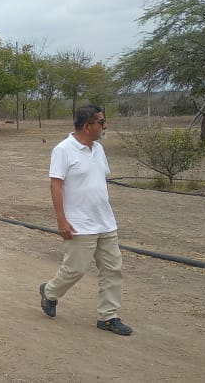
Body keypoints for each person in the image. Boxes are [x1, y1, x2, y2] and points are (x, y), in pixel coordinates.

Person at [39, 104, 132, 336]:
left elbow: (97, 181)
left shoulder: (98, 149)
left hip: (105, 222)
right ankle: (50, 292)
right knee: (75, 269)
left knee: (112, 269)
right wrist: (61, 220)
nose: (105, 126)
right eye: (101, 122)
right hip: (79, 223)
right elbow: (55, 186)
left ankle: (108, 316)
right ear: (87, 126)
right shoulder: (63, 150)